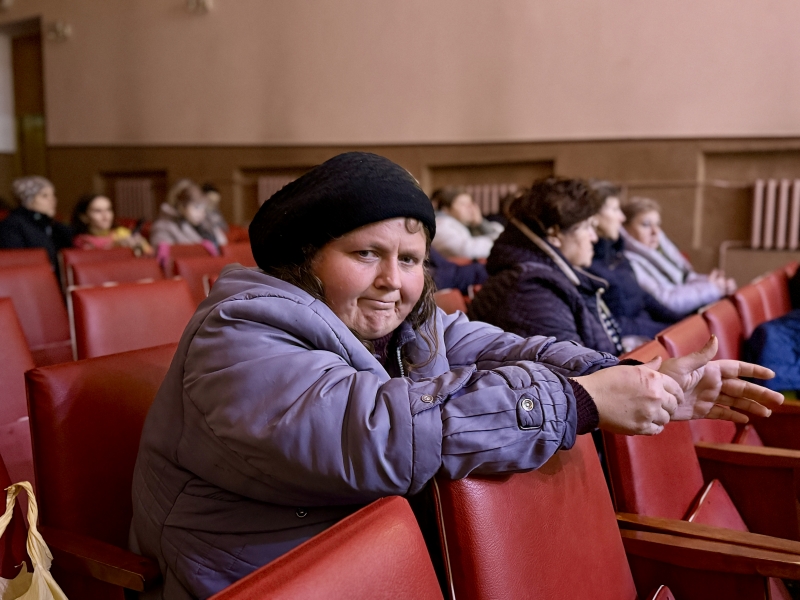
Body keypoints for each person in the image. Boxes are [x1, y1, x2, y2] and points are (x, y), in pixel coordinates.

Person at [130, 153, 782, 600]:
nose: (393, 280)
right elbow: (374, 433)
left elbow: (511, 350)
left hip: (387, 561)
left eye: (411, 259)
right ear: (305, 258)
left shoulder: (405, 323)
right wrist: (578, 402)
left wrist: (634, 377)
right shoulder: (240, 331)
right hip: (265, 578)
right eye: (366, 254)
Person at [469, 177, 624, 355]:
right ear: (555, 234)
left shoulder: (550, 277)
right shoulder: (529, 289)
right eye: (586, 227)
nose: (594, 238)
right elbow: (575, 365)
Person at [587, 181, 682, 346]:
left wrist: (680, 322)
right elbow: (613, 323)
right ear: (594, 217)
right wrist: (666, 330)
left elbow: (643, 297)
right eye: (615, 209)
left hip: (647, 330)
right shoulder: (587, 264)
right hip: (634, 342)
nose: (621, 218)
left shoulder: (616, 253)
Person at [621, 196, 735, 316]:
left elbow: (683, 280)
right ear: (625, 229)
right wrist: (711, 289)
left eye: (657, 224)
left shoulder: (661, 250)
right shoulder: (628, 263)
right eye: (646, 225)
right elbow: (667, 302)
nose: (655, 232)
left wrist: (712, 283)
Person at [0, 176, 72, 274]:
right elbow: (16, 262)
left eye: (52, 195)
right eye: (44, 196)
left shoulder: (52, 225)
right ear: (28, 200)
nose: (53, 200)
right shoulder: (12, 225)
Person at [150, 179, 227, 253]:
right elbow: (165, 254)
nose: (201, 212)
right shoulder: (164, 227)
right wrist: (201, 249)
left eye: (203, 207)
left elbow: (223, 244)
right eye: (196, 207)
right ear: (181, 206)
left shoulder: (206, 224)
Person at [431, 186, 503, 259]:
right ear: (445, 209)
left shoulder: (463, 224)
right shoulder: (441, 225)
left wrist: (480, 223)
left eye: (471, 203)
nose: (470, 208)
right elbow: (466, 251)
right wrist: (499, 244)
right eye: (463, 204)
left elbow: (499, 234)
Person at [71, 193, 152, 255]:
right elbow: (94, 260)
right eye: (97, 211)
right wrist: (115, 246)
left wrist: (140, 246)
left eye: (108, 210)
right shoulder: (82, 240)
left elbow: (150, 255)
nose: (105, 216)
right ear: (84, 217)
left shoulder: (121, 232)